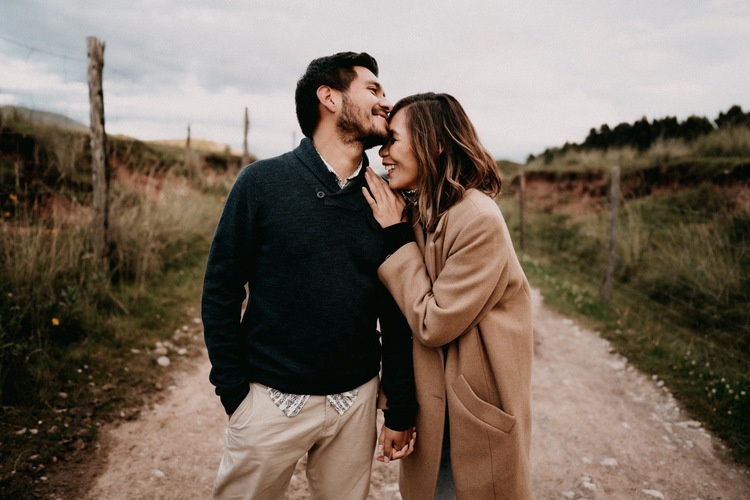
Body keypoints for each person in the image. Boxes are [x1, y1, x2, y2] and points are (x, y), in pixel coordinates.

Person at [201, 52, 417, 500]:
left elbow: (398, 313)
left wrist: (399, 406)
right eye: (373, 90)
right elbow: (221, 290)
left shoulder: (388, 201)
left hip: (355, 404)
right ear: (329, 97)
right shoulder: (260, 183)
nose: (386, 102)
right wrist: (235, 395)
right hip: (266, 400)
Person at [362, 92, 533, 499]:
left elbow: (432, 322)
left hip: (471, 413)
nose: (382, 153)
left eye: (393, 141)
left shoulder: (478, 221)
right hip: (437, 405)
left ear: (434, 144)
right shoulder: (425, 209)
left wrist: (396, 236)